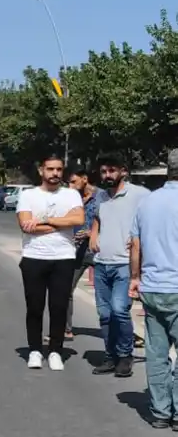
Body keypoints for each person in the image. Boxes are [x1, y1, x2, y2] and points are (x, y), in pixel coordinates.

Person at [16, 154, 86, 370]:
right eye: (50, 169)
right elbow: (26, 225)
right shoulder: (28, 195)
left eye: (58, 169)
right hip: (34, 257)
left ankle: (56, 350)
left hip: (63, 257)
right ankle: (35, 350)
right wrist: (62, 223)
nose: (55, 173)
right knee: (34, 307)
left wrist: (45, 221)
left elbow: (79, 220)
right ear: (41, 170)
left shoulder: (71, 194)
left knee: (59, 307)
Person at [127, 148, 178, 429]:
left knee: (156, 354)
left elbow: (135, 245)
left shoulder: (147, 202)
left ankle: (160, 411)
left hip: (153, 287)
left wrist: (135, 277)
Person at [89, 157, 150, 377]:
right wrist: (93, 235)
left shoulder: (140, 194)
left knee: (119, 311)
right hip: (102, 263)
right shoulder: (101, 196)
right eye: (103, 171)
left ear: (123, 171)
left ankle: (125, 356)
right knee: (104, 314)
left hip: (125, 263)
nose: (107, 175)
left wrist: (139, 240)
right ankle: (110, 356)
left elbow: (151, 220)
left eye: (111, 170)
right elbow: (97, 218)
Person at [64, 167, 101, 340]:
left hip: (98, 250)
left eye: (73, 181)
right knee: (65, 289)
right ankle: (66, 329)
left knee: (108, 297)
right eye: (68, 183)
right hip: (77, 251)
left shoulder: (102, 197)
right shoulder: (72, 199)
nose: (70, 186)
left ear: (84, 179)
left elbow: (113, 223)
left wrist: (90, 233)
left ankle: (125, 333)